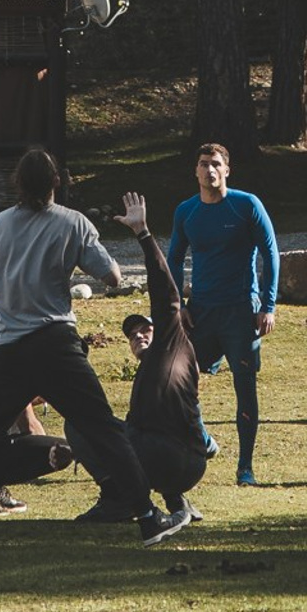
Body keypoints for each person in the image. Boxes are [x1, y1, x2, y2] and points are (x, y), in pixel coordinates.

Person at [0, 149, 172, 550]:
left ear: (17, 183)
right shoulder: (73, 223)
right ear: (57, 183)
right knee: (103, 430)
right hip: (56, 344)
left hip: (8, 349)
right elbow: (113, 276)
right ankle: (148, 518)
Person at [163, 142, 281, 484]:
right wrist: (179, 305)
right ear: (196, 171)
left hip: (241, 312)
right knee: (178, 381)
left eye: (216, 164)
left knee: (245, 387)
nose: (210, 170)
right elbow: (173, 259)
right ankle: (203, 440)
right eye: (204, 164)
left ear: (227, 170)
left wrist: (268, 306)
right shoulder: (186, 211)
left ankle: (245, 467)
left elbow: (270, 253)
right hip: (201, 312)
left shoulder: (246, 205)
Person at [114, 190, 213, 535]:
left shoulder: (172, 344)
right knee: (104, 427)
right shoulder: (148, 373)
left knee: (100, 434)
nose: (140, 336)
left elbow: (166, 294)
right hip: (170, 457)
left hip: (177, 457)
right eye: (133, 335)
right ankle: (176, 504)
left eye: (146, 329)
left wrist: (143, 234)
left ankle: (122, 503)